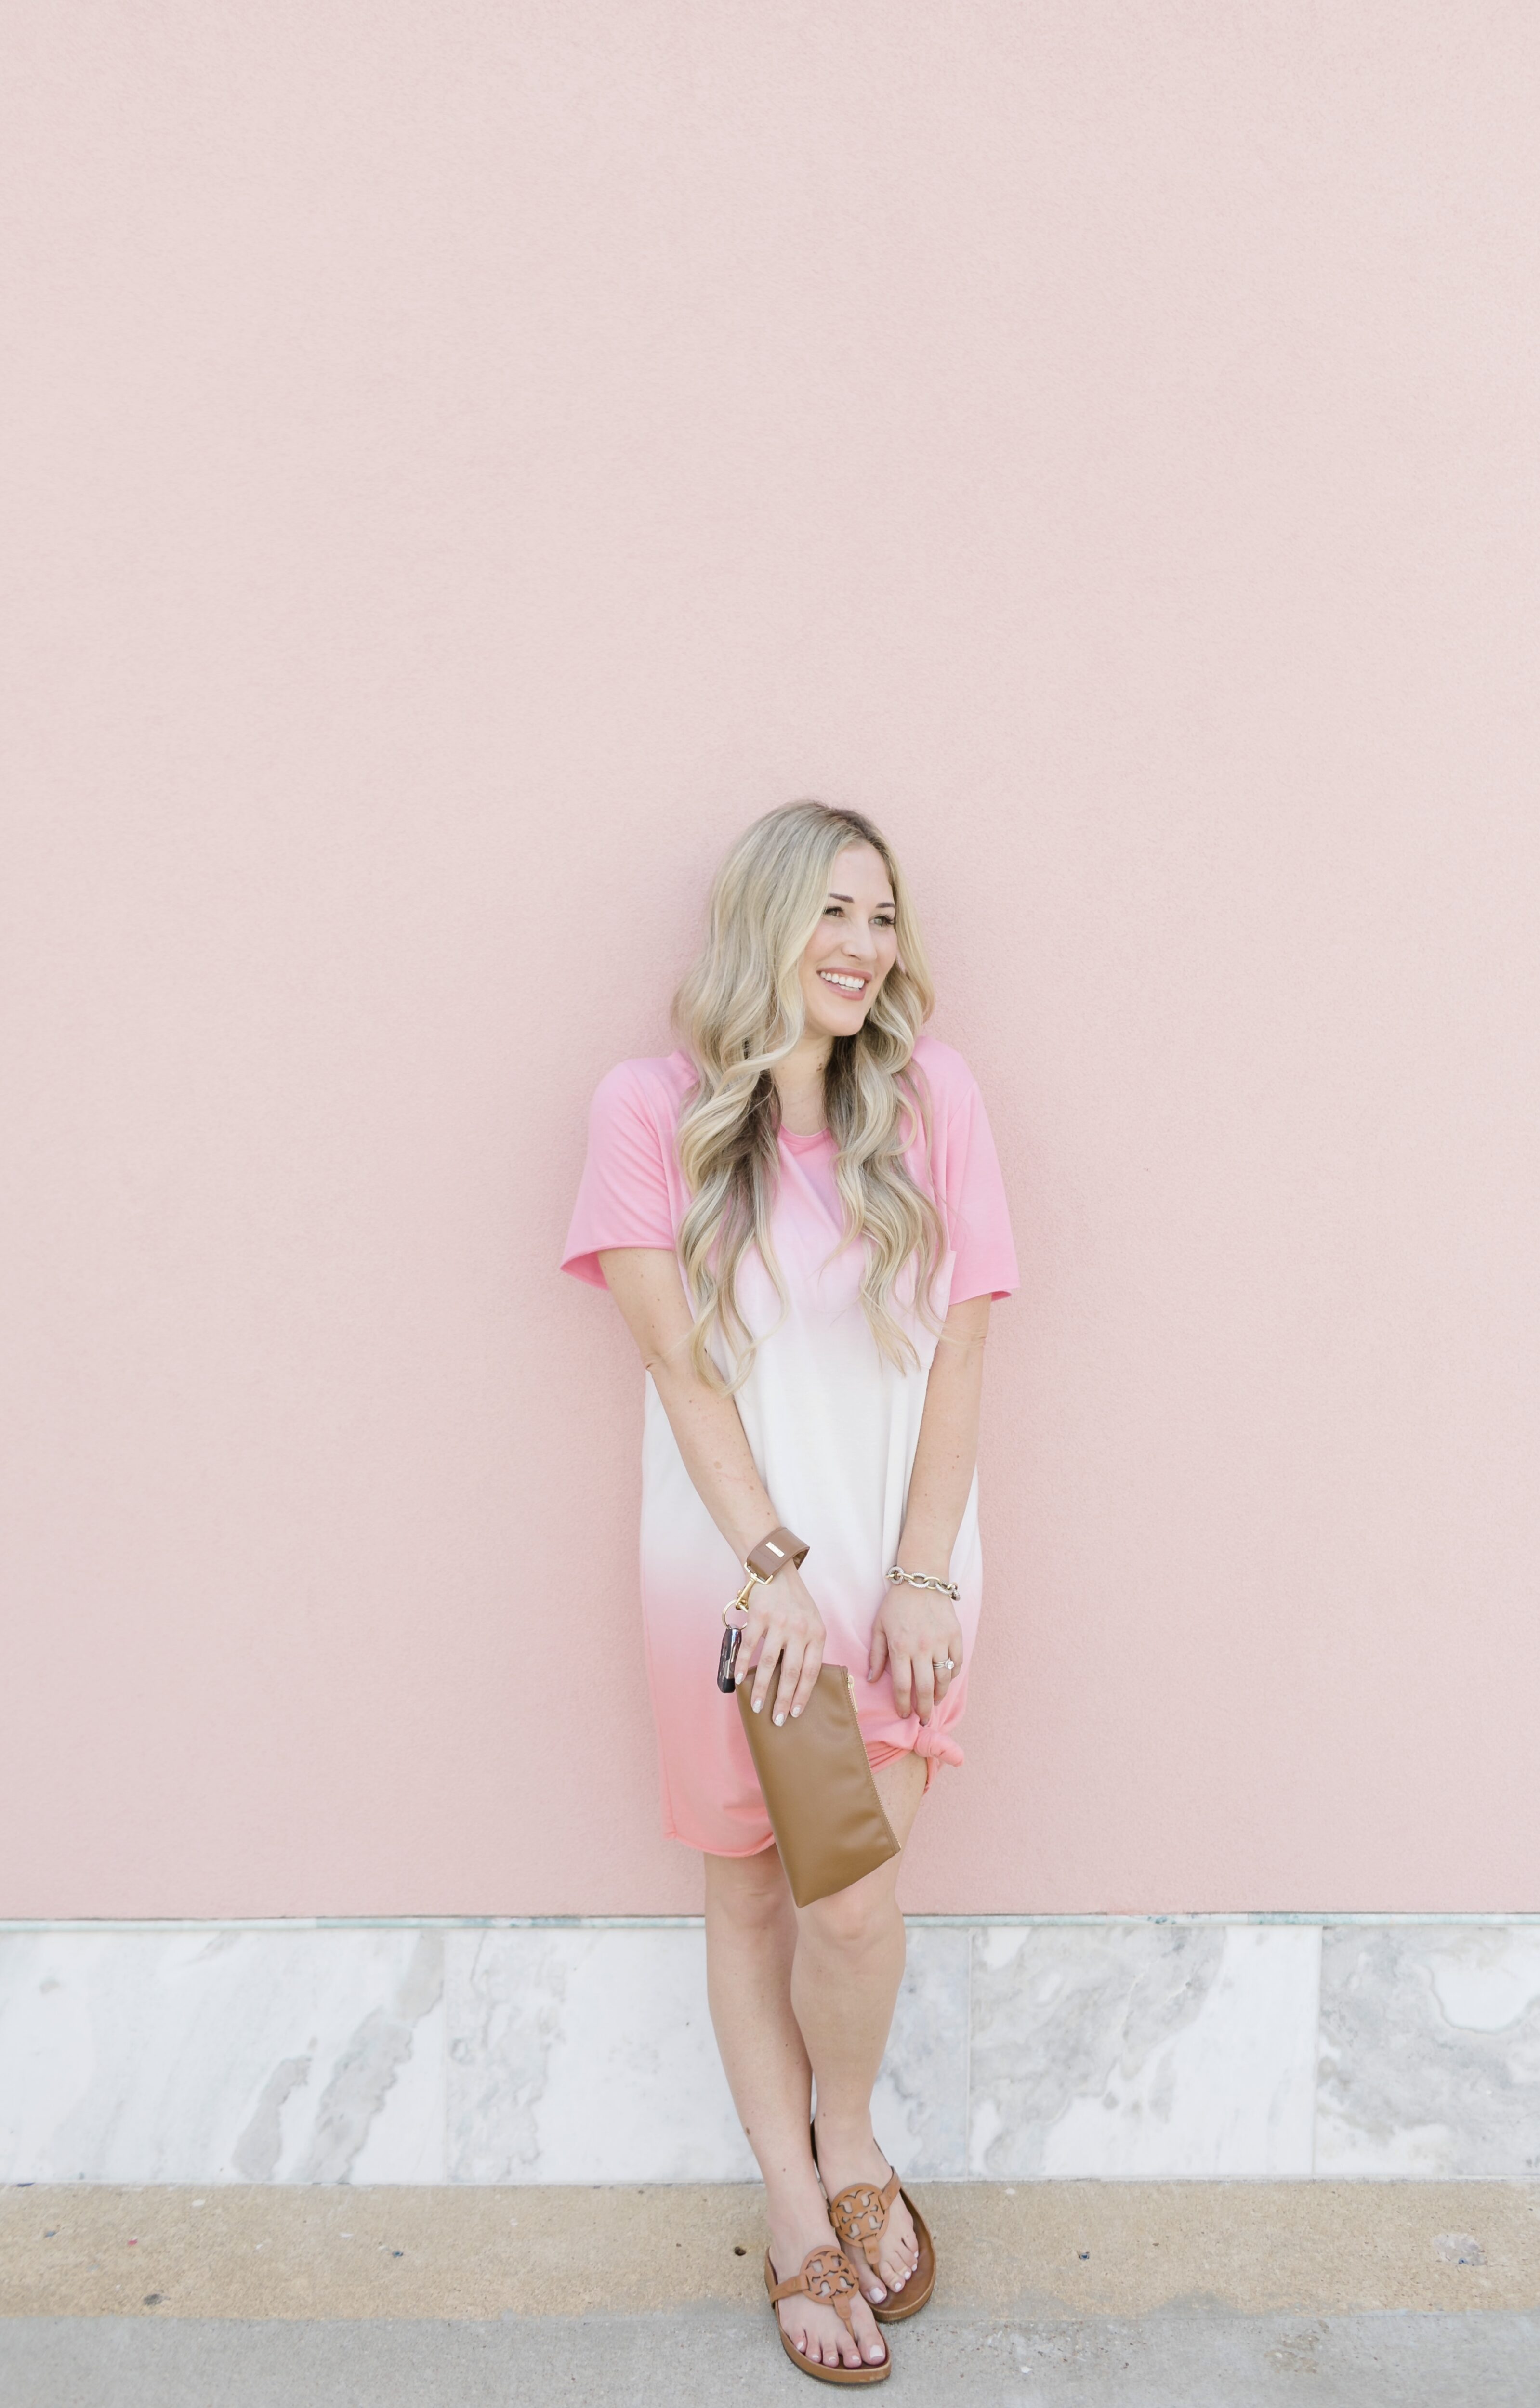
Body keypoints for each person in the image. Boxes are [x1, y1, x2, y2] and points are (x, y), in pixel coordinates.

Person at [561, 799, 1016, 2383]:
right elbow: (683, 1373)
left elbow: (963, 1344)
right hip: (733, 1585)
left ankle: (852, 2133)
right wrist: (772, 1569)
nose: (862, 948)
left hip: (897, 1578)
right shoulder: (651, 1111)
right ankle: (796, 2210)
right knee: (751, 1888)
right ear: (764, 923)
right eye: (833, 912)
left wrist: (915, 1573)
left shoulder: (931, 1099)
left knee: (856, 1899)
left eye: (882, 918)